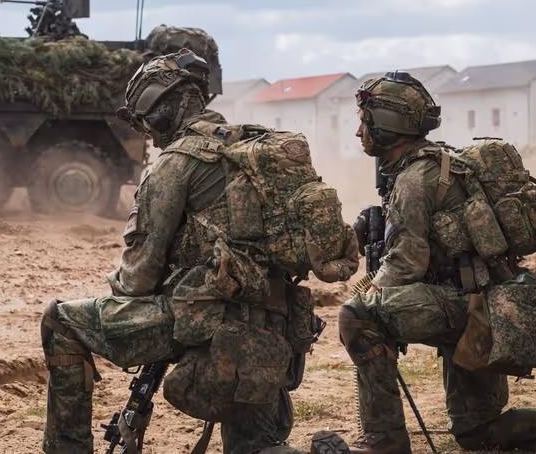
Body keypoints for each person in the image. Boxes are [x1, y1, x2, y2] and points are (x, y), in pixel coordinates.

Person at [39, 49, 359, 454]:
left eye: (146, 119)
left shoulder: (175, 163)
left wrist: (120, 286)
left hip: (202, 322)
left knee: (62, 322)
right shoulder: (260, 147)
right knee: (256, 448)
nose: (148, 134)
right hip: (271, 331)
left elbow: (138, 279)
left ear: (164, 108)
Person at [341, 71, 536, 454]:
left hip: (468, 310)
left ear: (388, 123)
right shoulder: (436, 165)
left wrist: (372, 290)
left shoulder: (414, 179)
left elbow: (405, 267)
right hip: (487, 308)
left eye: (363, 121)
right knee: (479, 433)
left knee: (357, 314)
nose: (359, 133)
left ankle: (383, 442)